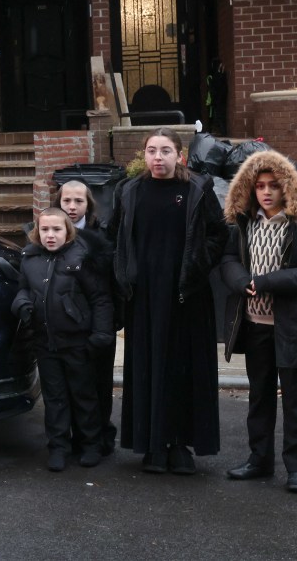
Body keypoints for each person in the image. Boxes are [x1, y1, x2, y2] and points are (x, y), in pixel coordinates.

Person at [107, 127, 228, 475]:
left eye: (165, 151)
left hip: (187, 297)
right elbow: (114, 236)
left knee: (183, 369)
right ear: (143, 155)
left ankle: (181, 445)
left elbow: (219, 234)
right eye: (151, 151)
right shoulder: (129, 191)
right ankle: (153, 445)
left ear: (180, 156)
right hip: (144, 298)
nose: (157, 157)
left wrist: (196, 267)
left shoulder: (197, 190)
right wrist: (123, 274)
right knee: (149, 369)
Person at [220, 150, 297, 494]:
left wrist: (267, 281)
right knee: (259, 397)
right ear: (251, 189)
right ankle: (259, 460)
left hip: (295, 328)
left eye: (274, 185)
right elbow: (228, 259)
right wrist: (241, 280)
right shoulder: (244, 224)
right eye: (260, 186)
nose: (267, 192)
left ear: (287, 188)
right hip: (256, 326)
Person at [12, 208, 114, 472]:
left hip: (78, 342)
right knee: (55, 398)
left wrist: (101, 334)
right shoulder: (30, 258)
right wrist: (22, 304)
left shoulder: (81, 257)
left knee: (83, 395)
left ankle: (90, 444)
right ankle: (58, 446)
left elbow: (100, 297)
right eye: (45, 230)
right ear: (37, 232)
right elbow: (23, 288)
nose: (50, 235)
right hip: (46, 342)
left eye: (56, 230)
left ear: (67, 232)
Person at [57, 181, 118, 457]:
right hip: (66, 326)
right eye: (66, 200)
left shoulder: (101, 235)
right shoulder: (51, 232)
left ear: (88, 205)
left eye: (78, 201)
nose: (71, 206)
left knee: (99, 384)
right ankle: (71, 438)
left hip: (97, 323)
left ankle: (100, 435)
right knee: (70, 387)